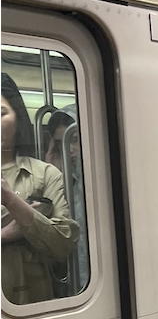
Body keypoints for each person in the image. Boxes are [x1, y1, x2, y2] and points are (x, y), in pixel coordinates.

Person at [1, 73, 79, 304]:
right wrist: (5, 235)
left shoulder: (45, 174)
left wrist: (12, 201)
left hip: (32, 306)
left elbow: (63, 244)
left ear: (18, 117)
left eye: (2, 113)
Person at [45, 106, 89, 291]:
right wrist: (53, 173)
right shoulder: (68, 180)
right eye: (60, 143)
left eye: (75, 140)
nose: (68, 150)